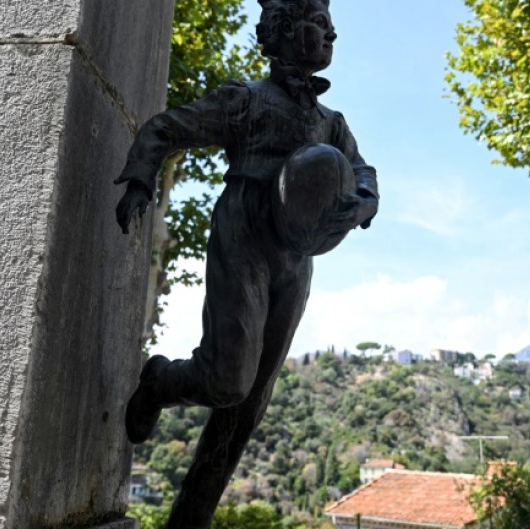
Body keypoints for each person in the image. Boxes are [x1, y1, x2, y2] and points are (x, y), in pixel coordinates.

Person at [114, 1, 377, 526]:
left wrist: (365, 200)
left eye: (330, 30)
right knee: (229, 379)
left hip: (297, 254)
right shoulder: (247, 100)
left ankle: (191, 518)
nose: (329, 37)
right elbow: (168, 128)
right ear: (279, 33)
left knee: (251, 403)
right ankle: (162, 382)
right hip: (246, 229)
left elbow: (362, 169)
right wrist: (141, 176)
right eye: (316, 27)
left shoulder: (331, 122)